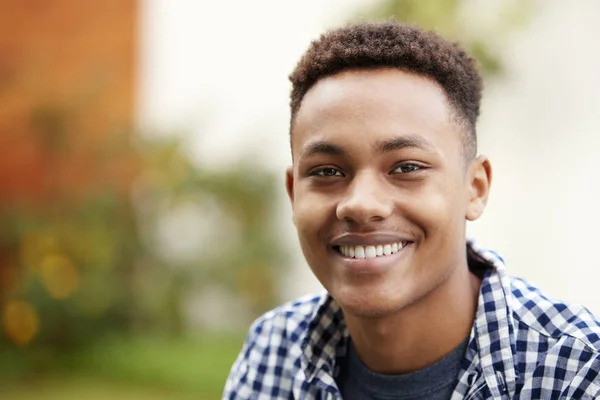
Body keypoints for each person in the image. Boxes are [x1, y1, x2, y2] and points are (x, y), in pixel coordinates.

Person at [223, 21, 600, 399]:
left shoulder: (578, 369)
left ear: (475, 188)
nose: (361, 204)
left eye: (406, 167)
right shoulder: (272, 352)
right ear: (293, 194)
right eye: (326, 171)